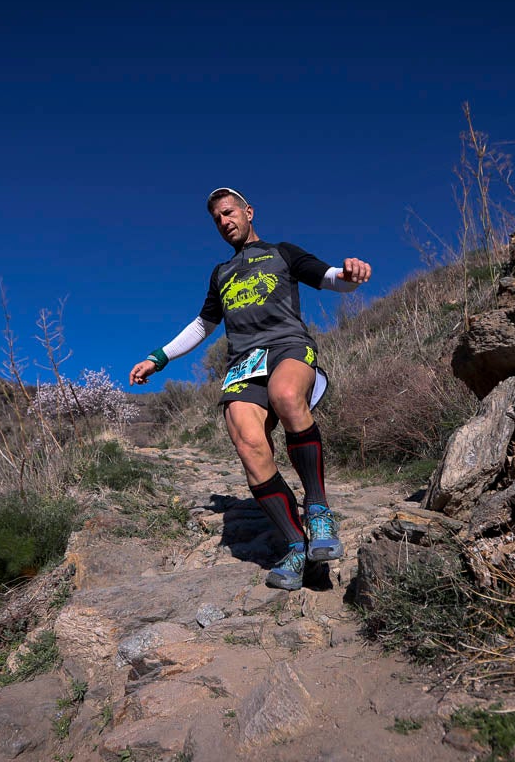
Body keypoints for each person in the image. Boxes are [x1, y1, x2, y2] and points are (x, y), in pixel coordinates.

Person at [130, 187, 372, 590]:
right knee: (247, 442)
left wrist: (349, 277)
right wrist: (159, 357)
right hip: (243, 364)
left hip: (287, 347)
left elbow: (329, 277)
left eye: (229, 213)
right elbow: (203, 325)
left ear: (248, 212)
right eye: (217, 219)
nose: (225, 222)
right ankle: (296, 546)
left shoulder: (282, 252)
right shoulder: (221, 274)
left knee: (287, 396)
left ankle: (318, 510)